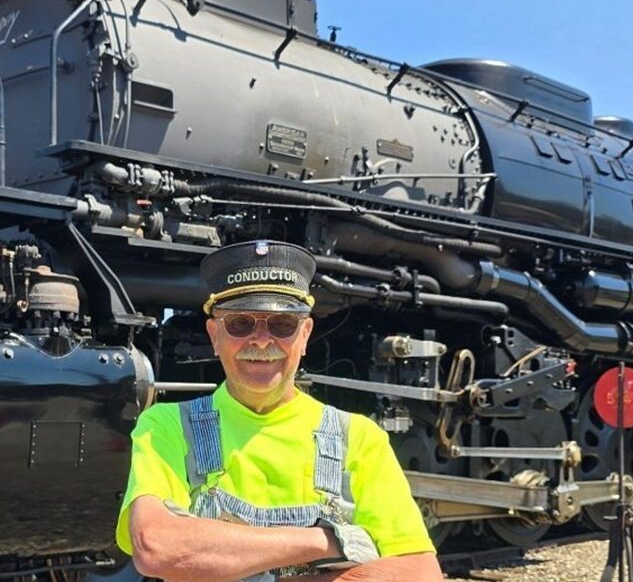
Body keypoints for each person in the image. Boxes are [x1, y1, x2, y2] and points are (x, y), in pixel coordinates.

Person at [116, 240, 443, 582]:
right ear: (214, 334)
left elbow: (420, 573)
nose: (260, 340)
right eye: (241, 323)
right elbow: (157, 546)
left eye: (282, 324)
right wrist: (326, 541)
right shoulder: (165, 425)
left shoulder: (360, 438)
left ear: (305, 334)